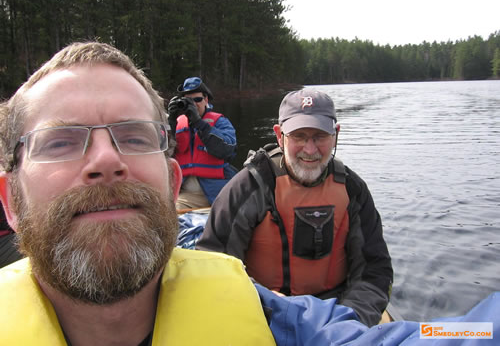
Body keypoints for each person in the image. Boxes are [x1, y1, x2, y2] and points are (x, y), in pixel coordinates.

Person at [0, 42, 275, 345]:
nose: (106, 160)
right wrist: (176, 122)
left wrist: (199, 125)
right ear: (11, 199)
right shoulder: (178, 125)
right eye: (60, 143)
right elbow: (177, 149)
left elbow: (224, 150)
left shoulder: (216, 123)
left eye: (134, 137)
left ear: (169, 183)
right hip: (188, 197)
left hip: (214, 193)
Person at [197, 89, 394, 327]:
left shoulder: (353, 189)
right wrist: (265, 304)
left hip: (339, 314)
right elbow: (214, 264)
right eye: (299, 136)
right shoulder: (249, 187)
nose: (310, 150)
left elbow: (375, 270)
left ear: (335, 135)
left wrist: (349, 320)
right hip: (263, 313)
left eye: (320, 136)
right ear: (280, 136)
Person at [167, 77, 237, 210]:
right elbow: (163, 153)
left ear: (206, 100)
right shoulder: (177, 123)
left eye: (197, 99)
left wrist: (200, 124)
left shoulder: (220, 122)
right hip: (186, 194)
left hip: (218, 191)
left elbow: (228, 150)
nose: (194, 104)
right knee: (171, 213)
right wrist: (171, 121)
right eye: (188, 100)